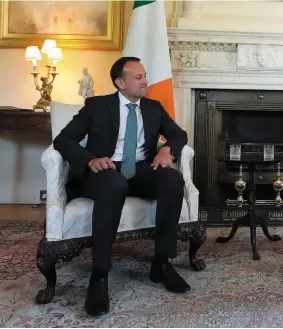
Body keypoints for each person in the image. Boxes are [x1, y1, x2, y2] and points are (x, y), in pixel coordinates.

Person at [53, 57, 190, 317]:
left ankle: (161, 263)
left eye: (145, 75)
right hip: (104, 170)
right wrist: (90, 159)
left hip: (138, 168)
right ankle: (100, 275)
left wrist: (167, 150)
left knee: (172, 179)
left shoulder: (152, 107)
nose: (145, 81)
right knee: (114, 184)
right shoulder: (97, 106)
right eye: (138, 77)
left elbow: (178, 133)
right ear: (120, 82)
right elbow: (64, 139)